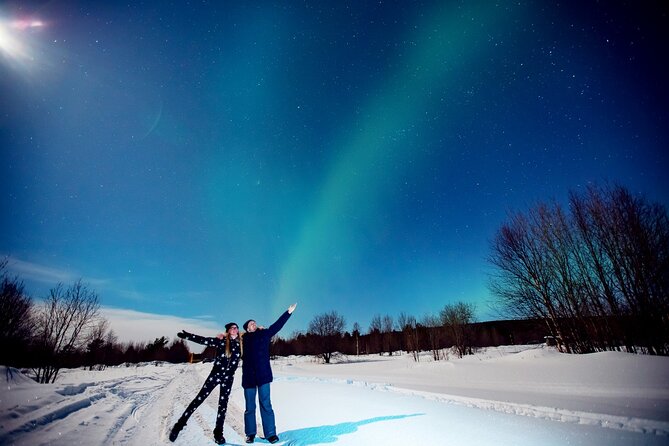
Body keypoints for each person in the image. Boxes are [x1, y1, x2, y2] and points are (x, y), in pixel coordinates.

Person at [169, 322, 241, 444]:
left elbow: (255, 339)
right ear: (228, 331)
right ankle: (179, 425)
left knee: (222, 406)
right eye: (232, 328)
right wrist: (188, 336)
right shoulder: (221, 341)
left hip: (228, 379)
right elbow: (204, 340)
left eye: (236, 328)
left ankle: (218, 434)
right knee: (199, 399)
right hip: (215, 375)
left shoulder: (241, 344)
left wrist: (261, 330)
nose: (235, 329)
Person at [241, 303, 297, 444]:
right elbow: (229, 338)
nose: (254, 324)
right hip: (248, 377)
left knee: (266, 404)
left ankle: (271, 434)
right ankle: (250, 433)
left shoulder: (264, 334)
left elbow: (277, 326)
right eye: (251, 324)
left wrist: (288, 312)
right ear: (247, 328)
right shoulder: (243, 340)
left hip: (263, 375)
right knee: (250, 407)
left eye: (255, 323)